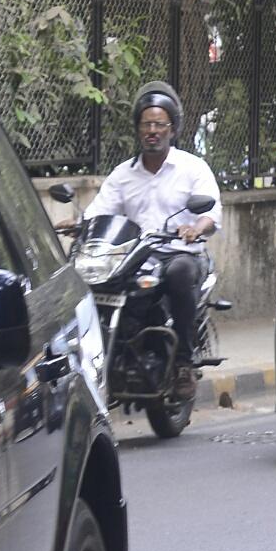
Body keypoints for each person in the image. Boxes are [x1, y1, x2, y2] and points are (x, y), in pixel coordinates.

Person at [92, 84, 222, 399]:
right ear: (138, 129)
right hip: (137, 257)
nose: (152, 130)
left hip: (181, 253)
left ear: (172, 129)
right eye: (146, 124)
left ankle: (182, 364)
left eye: (159, 124)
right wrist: (80, 224)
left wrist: (196, 227)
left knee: (179, 273)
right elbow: (99, 210)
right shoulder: (122, 175)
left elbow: (212, 214)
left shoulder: (193, 168)